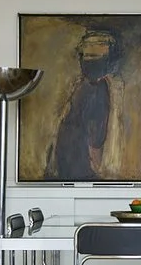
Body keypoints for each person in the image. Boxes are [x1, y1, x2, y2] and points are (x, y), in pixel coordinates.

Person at [50, 25, 120, 180]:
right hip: (77, 167)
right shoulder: (94, 88)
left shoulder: (86, 86)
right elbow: (96, 138)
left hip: (69, 165)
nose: (88, 61)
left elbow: (96, 134)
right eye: (87, 56)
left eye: (94, 57)